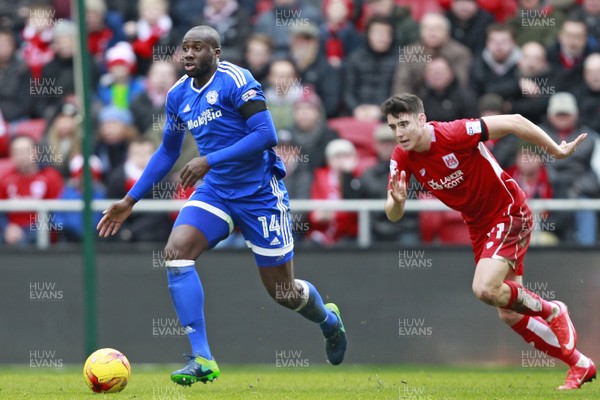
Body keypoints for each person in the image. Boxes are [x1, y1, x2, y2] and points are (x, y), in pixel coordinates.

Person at [97, 25, 347, 386]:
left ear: (216, 54)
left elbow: (266, 135)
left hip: (260, 193)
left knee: (283, 292)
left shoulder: (236, 79)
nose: (188, 55)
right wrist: (129, 199)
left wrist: (208, 159)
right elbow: (168, 150)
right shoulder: (178, 94)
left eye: (197, 48)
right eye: (184, 48)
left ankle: (329, 321)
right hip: (216, 192)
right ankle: (202, 358)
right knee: (176, 251)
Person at [382, 93, 595, 390]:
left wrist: (555, 151)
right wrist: (397, 201)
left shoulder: (454, 133)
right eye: (393, 127)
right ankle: (579, 363)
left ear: (421, 119)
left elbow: (515, 121)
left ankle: (553, 310)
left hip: (508, 210)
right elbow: (393, 214)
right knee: (508, 311)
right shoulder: (401, 156)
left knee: (484, 288)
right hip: (478, 224)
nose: (399, 133)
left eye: (403, 124)